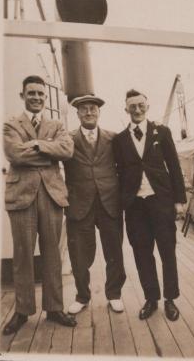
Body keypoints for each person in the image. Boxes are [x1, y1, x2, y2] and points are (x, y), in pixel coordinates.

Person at [2, 75, 76, 335]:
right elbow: (14, 154)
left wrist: (34, 145)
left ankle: (55, 308)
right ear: (22, 95)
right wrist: (47, 151)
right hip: (21, 196)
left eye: (40, 94)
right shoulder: (11, 123)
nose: (36, 97)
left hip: (52, 195)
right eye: (31, 93)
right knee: (23, 254)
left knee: (52, 254)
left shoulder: (56, 124)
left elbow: (66, 151)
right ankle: (22, 311)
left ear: (45, 98)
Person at [113, 89, 186, 321]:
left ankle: (170, 299)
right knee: (142, 253)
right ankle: (151, 299)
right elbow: (118, 173)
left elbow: (174, 167)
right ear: (126, 109)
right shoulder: (119, 140)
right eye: (132, 106)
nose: (137, 109)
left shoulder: (161, 132)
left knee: (167, 251)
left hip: (161, 202)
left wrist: (180, 200)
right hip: (135, 206)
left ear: (147, 106)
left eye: (140, 105)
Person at [64, 94, 126, 314]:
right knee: (79, 254)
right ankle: (82, 296)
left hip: (109, 202)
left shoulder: (113, 138)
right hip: (79, 204)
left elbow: (127, 167)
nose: (89, 112)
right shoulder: (67, 138)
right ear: (77, 113)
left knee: (114, 251)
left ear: (99, 112)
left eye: (92, 109)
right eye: (84, 109)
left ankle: (115, 294)